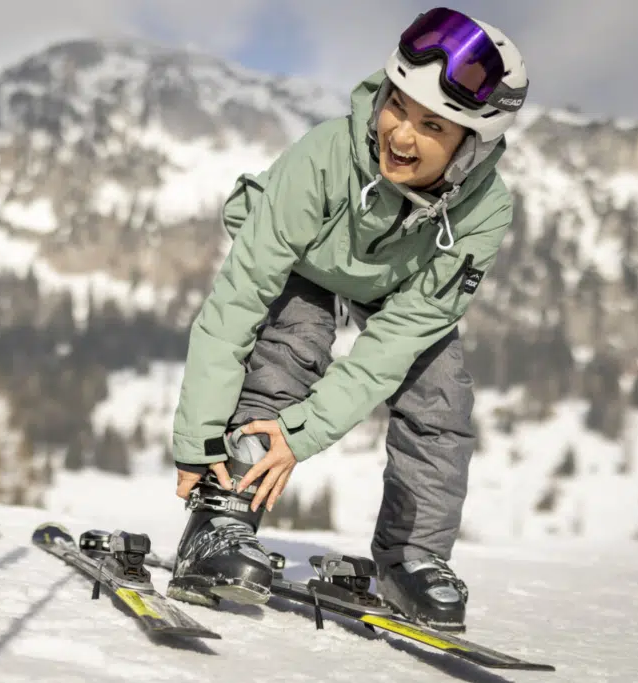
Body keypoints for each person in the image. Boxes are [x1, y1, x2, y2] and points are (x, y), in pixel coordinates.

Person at [165, 7, 529, 633]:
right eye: (398, 106)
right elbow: (238, 303)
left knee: (441, 396)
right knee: (290, 345)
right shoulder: (327, 155)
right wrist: (197, 439)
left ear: (471, 148)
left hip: (392, 283)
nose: (401, 135)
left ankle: (412, 561)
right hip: (303, 258)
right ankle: (220, 520)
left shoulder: (485, 213)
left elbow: (395, 342)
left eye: (431, 125)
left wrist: (305, 433)